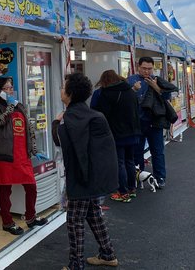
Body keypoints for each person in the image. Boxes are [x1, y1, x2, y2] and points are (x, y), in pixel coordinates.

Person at [52, 73, 119, 269]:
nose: (61, 91)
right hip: (98, 175)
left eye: (64, 88)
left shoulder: (71, 117)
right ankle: (107, 254)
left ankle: (76, 265)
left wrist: (56, 122)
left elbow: (60, 140)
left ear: (70, 93)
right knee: (92, 214)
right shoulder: (93, 114)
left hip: (83, 176)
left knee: (74, 220)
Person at [0, 77, 48, 235]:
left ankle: (30, 217)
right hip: (6, 155)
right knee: (5, 189)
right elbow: (0, 122)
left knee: (31, 187)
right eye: (6, 89)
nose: (10, 91)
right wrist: (9, 106)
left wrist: (35, 149)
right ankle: (7, 222)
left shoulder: (20, 106)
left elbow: (29, 129)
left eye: (11, 88)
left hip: (22, 155)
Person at [127, 57, 178, 189]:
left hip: (155, 121)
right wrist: (134, 90)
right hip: (138, 122)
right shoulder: (131, 80)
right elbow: (125, 100)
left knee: (157, 151)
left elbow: (168, 98)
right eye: (144, 68)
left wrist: (156, 87)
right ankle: (138, 177)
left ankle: (160, 178)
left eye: (149, 68)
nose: (147, 71)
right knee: (137, 152)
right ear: (138, 67)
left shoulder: (157, 80)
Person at [90, 70, 141, 203]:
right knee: (130, 161)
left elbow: (97, 113)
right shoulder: (130, 91)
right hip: (133, 132)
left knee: (119, 162)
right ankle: (132, 189)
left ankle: (122, 192)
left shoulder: (103, 93)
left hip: (116, 133)